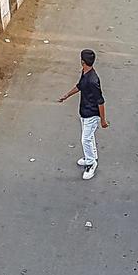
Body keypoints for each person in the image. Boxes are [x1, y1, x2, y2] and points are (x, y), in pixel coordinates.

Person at [57, 48, 106, 180]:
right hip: (84, 112)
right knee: (88, 137)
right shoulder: (86, 73)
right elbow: (79, 86)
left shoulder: (92, 80)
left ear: (82, 61)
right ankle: (92, 156)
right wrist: (67, 95)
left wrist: (103, 120)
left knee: (85, 139)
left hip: (91, 114)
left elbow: (100, 101)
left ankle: (91, 163)